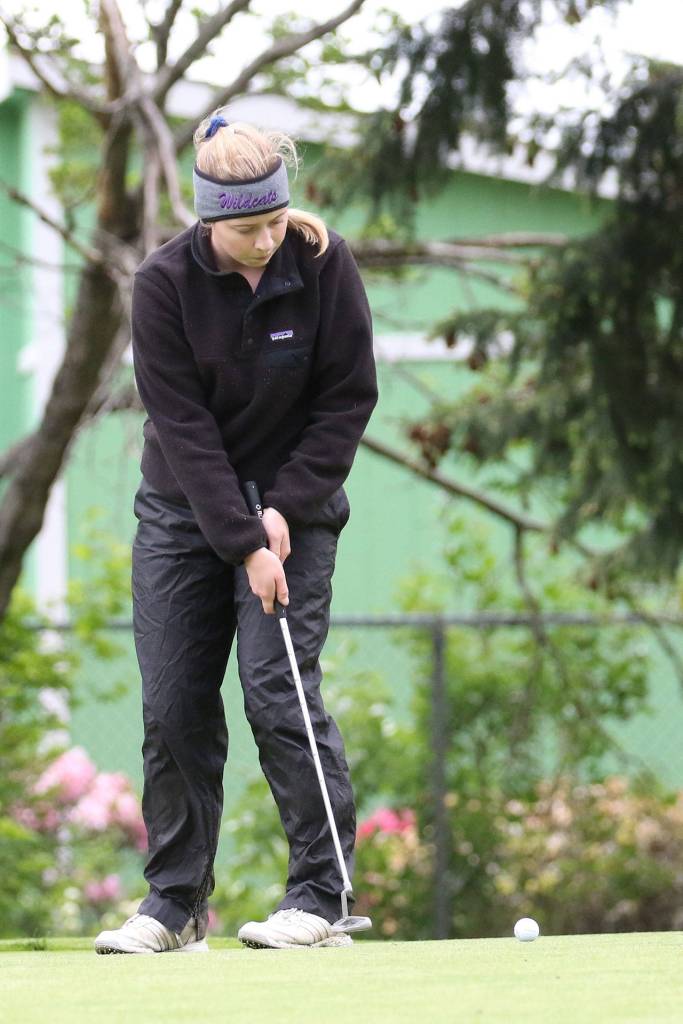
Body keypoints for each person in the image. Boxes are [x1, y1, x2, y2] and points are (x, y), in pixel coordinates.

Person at [93, 113, 378, 953]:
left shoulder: (322, 266)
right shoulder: (163, 284)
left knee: (276, 687)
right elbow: (182, 429)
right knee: (174, 703)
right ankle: (174, 905)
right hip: (185, 512)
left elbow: (346, 400)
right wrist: (244, 540)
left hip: (298, 506)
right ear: (208, 219)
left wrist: (285, 510)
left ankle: (320, 896)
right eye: (247, 229)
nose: (264, 242)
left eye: (275, 223)